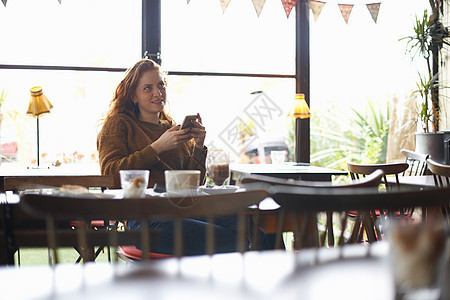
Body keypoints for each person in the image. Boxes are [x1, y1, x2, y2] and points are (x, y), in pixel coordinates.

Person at [97, 58, 275, 255]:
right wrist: (156, 148)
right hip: (144, 218)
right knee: (238, 239)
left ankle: (276, 279)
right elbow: (110, 173)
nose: (158, 93)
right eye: (147, 88)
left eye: (161, 85)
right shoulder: (119, 124)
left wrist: (198, 146)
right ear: (133, 96)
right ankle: (250, 260)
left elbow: (194, 182)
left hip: (187, 210)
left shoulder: (172, 129)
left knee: (264, 227)